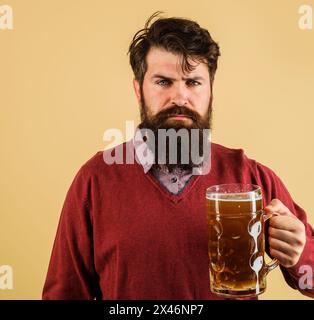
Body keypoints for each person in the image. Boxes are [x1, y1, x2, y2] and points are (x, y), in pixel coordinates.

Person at [42, 12, 314, 300]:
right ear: (138, 90)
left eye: (193, 82)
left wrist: (298, 255)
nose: (180, 97)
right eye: (163, 82)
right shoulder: (95, 179)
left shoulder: (252, 179)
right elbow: (64, 294)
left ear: (211, 91)